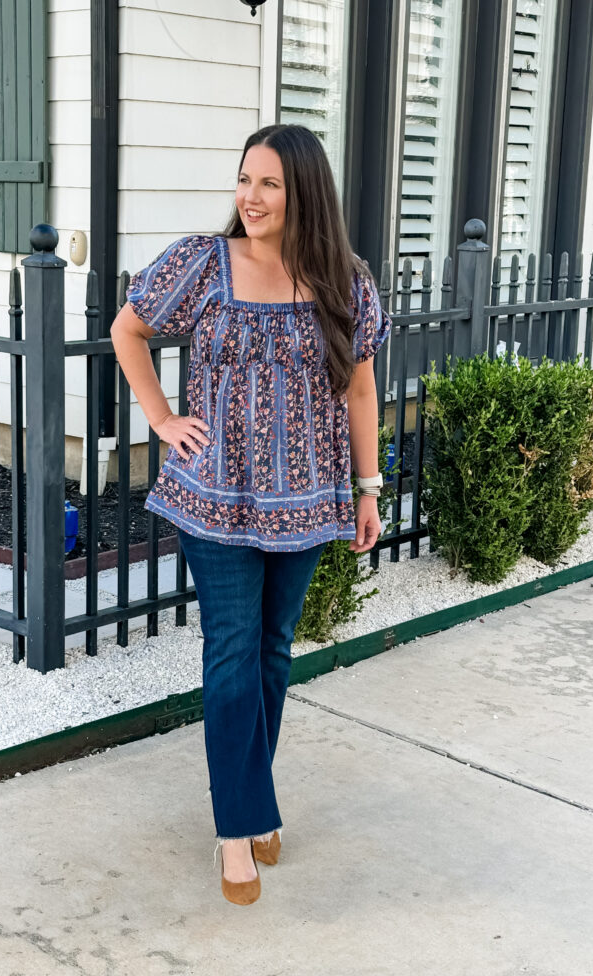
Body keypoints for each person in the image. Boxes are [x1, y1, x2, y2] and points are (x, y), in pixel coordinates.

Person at [110, 123, 391, 906]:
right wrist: (162, 419)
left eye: (268, 183)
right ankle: (236, 828)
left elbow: (360, 391)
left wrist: (367, 489)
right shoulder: (203, 261)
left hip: (307, 499)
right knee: (232, 649)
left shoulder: (344, 281)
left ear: (303, 191)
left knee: (272, 648)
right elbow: (127, 330)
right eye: (244, 180)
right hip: (216, 496)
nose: (251, 197)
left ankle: (252, 794)